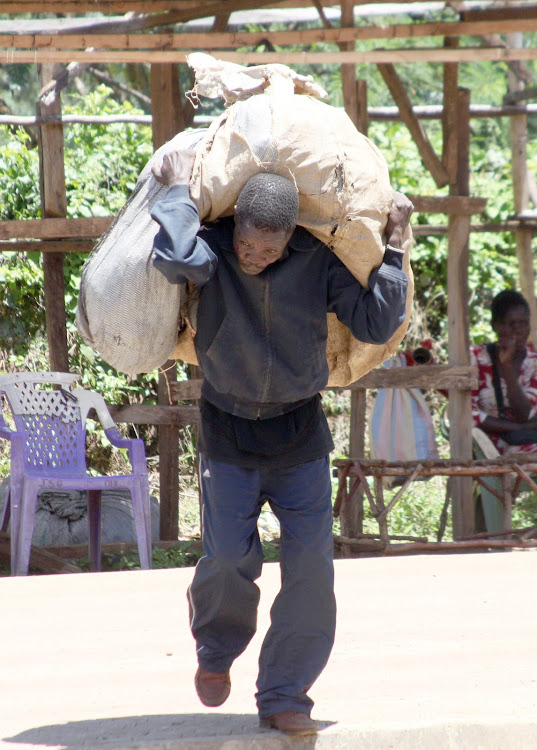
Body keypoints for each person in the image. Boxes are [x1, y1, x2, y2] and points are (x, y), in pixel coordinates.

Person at [150, 148, 412, 736]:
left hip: (299, 433)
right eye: (248, 245)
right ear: (234, 226)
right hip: (228, 430)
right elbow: (172, 256)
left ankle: (285, 691)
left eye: (270, 250)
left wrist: (395, 246)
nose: (256, 258)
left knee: (313, 569)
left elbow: (375, 322)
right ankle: (215, 652)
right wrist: (173, 192)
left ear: (291, 238)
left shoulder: (316, 261)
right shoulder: (213, 249)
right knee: (225, 560)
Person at [470, 289, 537, 455]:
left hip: (525, 442)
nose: (519, 331)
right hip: (487, 447)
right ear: (495, 326)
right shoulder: (475, 358)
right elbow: (470, 415)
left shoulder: (533, 362)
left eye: (524, 324)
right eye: (513, 325)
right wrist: (520, 427)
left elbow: (524, 415)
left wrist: (507, 369)